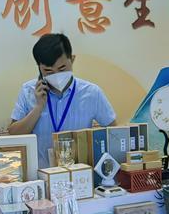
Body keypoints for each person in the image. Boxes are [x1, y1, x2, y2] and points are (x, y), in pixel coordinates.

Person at [7, 33, 116, 167]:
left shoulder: (92, 92)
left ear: (72, 59)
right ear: (39, 68)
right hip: (40, 173)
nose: (56, 75)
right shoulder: (28, 91)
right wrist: (38, 107)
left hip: (79, 173)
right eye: (48, 71)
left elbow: (114, 132)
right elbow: (14, 134)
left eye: (62, 68)